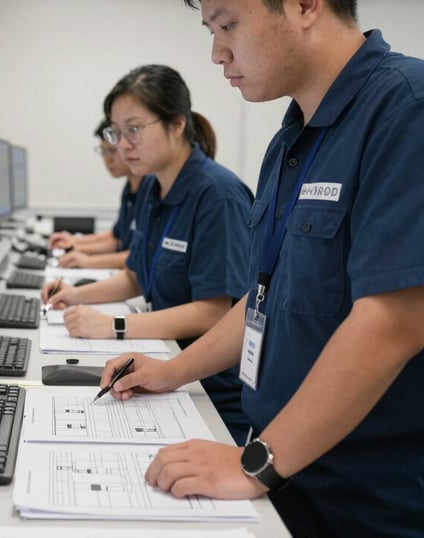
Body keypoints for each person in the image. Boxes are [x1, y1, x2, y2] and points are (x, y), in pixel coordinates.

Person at [100, 1, 424, 536]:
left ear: (303, 6)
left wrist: (255, 463)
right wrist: (169, 371)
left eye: (227, 25)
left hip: (364, 501)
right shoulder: (292, 141)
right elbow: (264, 298)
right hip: (287, 472)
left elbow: (394, 322)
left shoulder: (405, 109)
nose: (217, 52)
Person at [42, 64, 253, 446]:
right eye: (116, 132)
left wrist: (114, 326)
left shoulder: (217, 196)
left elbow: (216, 310)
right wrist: (75, 295)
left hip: (210, 392)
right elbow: (136, 275)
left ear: (176, 124)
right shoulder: (154, 189)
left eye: (133, 130)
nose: (122, 145)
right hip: (166, 370)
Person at [47, 120, 148, 269]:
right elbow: (116, 237)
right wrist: (75, 244)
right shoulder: (129, 189)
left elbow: (143, 256)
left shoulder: (150, 190)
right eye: (103, 151)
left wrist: (87, 261)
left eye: (112, 151)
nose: (107, 159)